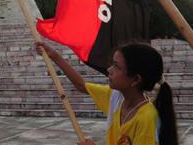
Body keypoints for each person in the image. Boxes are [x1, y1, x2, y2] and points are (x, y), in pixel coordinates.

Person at [35, 41, 177, 145]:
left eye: (116, 66)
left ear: (135, 80)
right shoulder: (116, 98)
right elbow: (81, 85)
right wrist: (54, 56)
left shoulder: (147, 118)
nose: (109, 69)